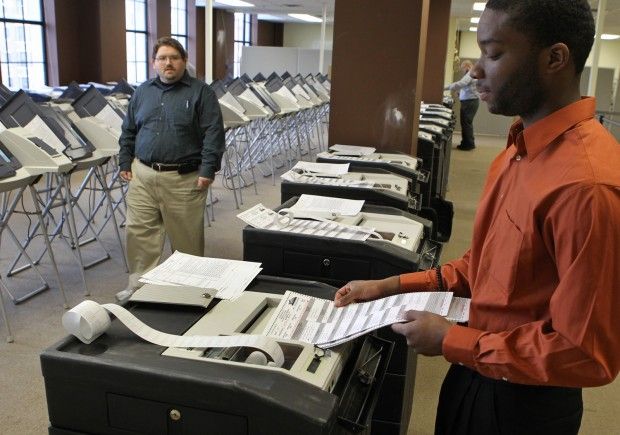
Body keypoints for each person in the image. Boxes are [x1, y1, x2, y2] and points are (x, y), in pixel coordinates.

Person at [335, 1, 620, 433]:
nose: (475, 71)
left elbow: (584, 352)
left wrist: (451, 339)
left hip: (526, 401)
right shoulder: (516, 151)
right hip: (475, 367)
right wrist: (388, 286)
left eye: (494, 53)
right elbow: (482, 267)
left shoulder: (587, 186)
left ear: (554, 58)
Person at [117, 36, 225, 301]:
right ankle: (139, 287)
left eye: (174, 58)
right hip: (143, 174)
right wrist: (124, 159)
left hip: (184, 177)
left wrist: (207, 170)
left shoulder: (201, 92)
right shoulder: (142, 92)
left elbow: (214, 133)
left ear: (184, 62)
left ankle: (187, 291)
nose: (168, 63)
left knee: (186, 238)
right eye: (162, 58)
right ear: (154, 63)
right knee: (139, 233)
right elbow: (129, 129)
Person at [445, 60, 479, 151]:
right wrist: (461, 93)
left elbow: (461, 83)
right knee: (466, 123)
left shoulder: (470, 74)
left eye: (462, 68)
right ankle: (467, 143)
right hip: (470, 101)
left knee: (466, 123)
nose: (462, 70)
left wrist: (445, 88)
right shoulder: (472, 74)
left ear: (466, 66)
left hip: (469, 102)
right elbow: (468, 87)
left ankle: (468, 144)